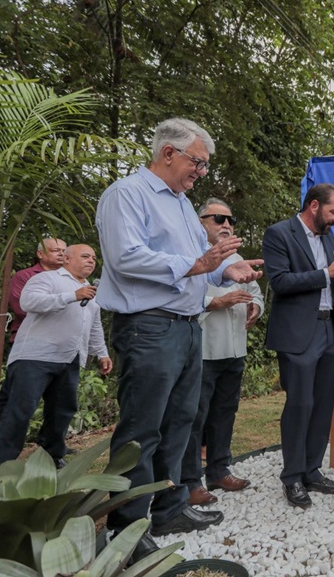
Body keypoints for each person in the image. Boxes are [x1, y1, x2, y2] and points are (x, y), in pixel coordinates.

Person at [96, 118, 262, 558]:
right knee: (141, 429)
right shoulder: (125, 195)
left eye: (204, 165)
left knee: (179, 425)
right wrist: (201, 265)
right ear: (168, 153)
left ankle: (169, 507)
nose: (201, 172)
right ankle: (125, 529)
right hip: (149, 327)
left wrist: (228, 269)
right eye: (198, 162)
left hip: (188, 328)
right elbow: (126, 257)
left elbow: (200, 260)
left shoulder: (183, 204)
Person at [263, 183, 334, 509]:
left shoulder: (330, 239)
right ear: (314, 206)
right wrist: (325, 273)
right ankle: (291, 478)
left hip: (326, 330)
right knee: (300, 404)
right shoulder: (279, 234)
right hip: (297, 334)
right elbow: (279, 282)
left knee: (322, 406)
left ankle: (311, 470)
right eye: (333, 212)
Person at [0, 244, 111, 472]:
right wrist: (72, 296)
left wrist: (101, 353)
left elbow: (94, 326)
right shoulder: (47, 279)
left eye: (93, 257)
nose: (91, 261)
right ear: (67, 258)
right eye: (85, 256)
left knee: (62, 412)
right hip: (35, 356)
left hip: (70, 357)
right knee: (19, 411)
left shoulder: (90, 291)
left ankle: (51, 459)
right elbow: (28, 302)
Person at [181, 199, 264, 507]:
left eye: (230, 219)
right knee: (194, 418)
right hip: (202, 349)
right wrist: (217, 301)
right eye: (218, 218)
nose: (226, 225)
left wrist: (256, 306)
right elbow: (184, 294)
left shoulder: (239, 257)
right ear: (199, 221)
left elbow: (255, 292)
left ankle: (219, 469)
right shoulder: (192, 257)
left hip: (234, 349)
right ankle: (190, 481)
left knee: (224, 414)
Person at [9, 238, 68, 342]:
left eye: (64, 251)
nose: (61, 254)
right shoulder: (24, 276)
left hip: (64, 339)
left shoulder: (69, 279)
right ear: (40, 254)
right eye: (55, 250)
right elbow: (22, 309)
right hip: (30, 337)